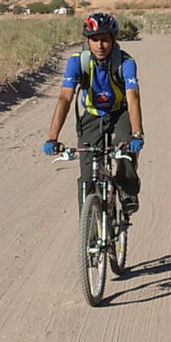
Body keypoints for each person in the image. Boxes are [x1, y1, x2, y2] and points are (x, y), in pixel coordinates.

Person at [43, 12, 144, 214]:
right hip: (91, 115)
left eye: (104, 40)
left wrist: (137, 133)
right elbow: (65, 98)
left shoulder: (125, 62)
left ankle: (127, 192)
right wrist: (52, 138)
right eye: (94, 40)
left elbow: (133, 97)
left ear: (113, 40)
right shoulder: (77, 62)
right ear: (87, 41)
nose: (99, 45)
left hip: (118, 113)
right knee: (88, 173)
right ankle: (88, 223)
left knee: (125, 154)